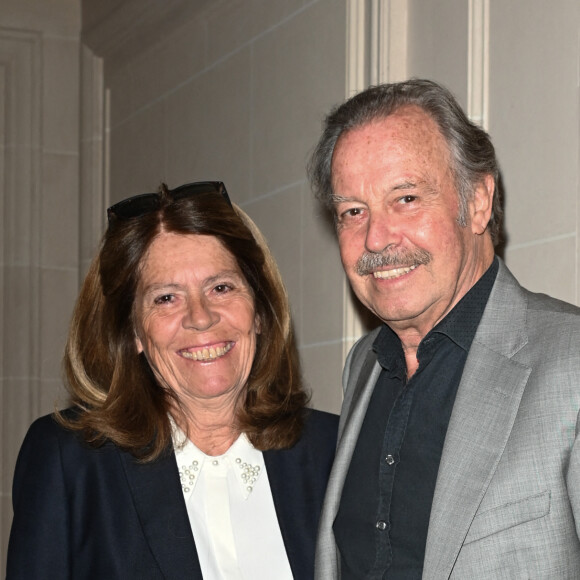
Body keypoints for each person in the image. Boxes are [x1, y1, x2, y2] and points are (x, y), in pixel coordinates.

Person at [308, 79, 580, 578]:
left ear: (477, 202)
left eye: (406, 198)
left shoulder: (571, 363)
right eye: (352, 211)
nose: (375, 237)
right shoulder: (363, 366)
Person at [7, 181, 338, 579]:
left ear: (261, 311)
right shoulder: (70, 463)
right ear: (132, 333)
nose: (201, 317)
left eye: (221, 287)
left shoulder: (334, 451)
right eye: (167, 297)